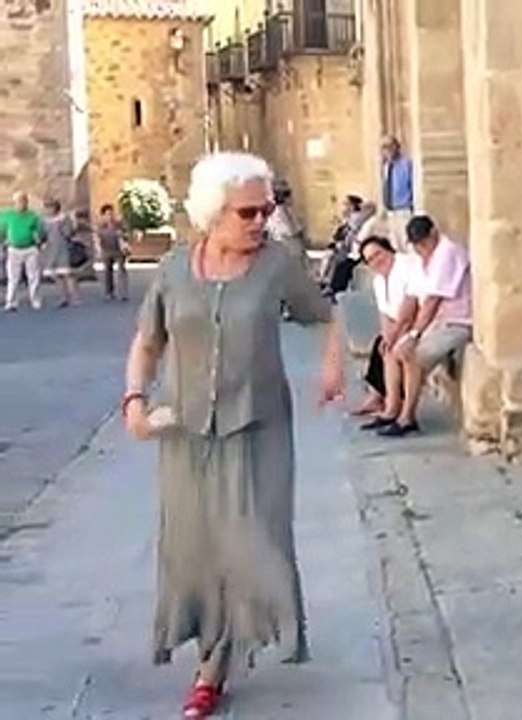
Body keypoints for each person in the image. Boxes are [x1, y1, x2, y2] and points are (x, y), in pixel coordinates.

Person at [121, 151, 345, 719]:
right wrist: (135, 399)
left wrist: (332, 367)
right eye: (248, 212)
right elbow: (147, 342)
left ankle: (241, 638)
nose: (260, 221)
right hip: (186, 431)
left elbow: (325, 315)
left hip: (258, 426)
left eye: (266, 209)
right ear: (213, 212)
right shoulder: (174, 269)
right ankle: (211, 665)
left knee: (254, 543)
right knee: (195, 549)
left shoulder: (278, 265)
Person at [367, 214, 472, 437]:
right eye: (417, 245)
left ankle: (407, 418)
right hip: (437, 323)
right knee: (392, 350)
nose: (422, 249)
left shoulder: (446, 254)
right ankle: (392, 409)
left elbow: (432, 302)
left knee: (411, 354)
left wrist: (413, 334)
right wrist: (397, 334)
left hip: (456, 322)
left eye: (424, 243)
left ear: (434, 233)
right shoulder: (424, 259)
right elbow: (413, 298)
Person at [350, 234, 421, 418]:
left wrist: (394, 334)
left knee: (392, 348)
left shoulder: (407, 266)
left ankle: (390, 406)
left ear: (389, 250)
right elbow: (384, 313)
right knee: (383, 346)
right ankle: (388, 404)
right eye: (370, 259)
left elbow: (410, 305)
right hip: (400, 325)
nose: (376, 261)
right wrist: (387, 334)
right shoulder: (379, 280)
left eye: (378, 254)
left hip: (418, 322)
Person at [2, 191, 44, 311]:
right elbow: (1, 229)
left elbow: (39, 230)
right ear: (14, 202)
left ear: (27, 202)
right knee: (13, 277)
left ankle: (35, 300)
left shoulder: (33, 215)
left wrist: (39, 240)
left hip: (30, 248)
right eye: (19, 201)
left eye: (23, 200)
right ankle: (11, 302)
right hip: (14, 249)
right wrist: (3, 241)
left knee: (33, 276)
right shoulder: (7, 215)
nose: (21, 203)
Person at [42, 199, 80, 307]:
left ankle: (75, 297)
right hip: (51, 250)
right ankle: (63, 297)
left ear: (56, 208)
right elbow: (43, 235)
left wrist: (62, 227)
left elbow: (69, 233)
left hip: (63, 249)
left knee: (67, 274)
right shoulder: (45, 221)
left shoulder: (64, 218)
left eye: (51, 207)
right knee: (55, 275)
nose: (48, 210)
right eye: (47, 207)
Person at [380, 136, 414, 252]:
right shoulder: (386, 167)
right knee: (395, 244)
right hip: (391, 211)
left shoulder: (407, 164)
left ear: (397, 147)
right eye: (384, 147)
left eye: (390, 146)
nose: (387, 150)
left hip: (404, 209)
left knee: (407, 242)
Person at [96, 203, 129, 301]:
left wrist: (123, 236)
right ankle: (109, 292)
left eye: (111, 213)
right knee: (107, 271)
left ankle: (123, 292)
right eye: (107, 214)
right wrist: (99, 250)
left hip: (119, 250)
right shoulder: (100, 226)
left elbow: (126, 236)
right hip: (107, 250)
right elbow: (97, 239)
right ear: (103, 216)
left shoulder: (119, 225)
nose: (110, 216)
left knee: (121, 270)